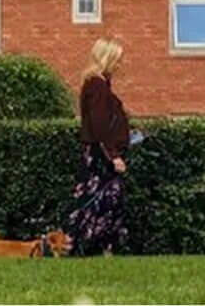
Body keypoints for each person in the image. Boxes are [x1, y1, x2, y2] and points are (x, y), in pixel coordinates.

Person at [68, 36, 130, 255]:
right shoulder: (97, 85)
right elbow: (100, 124)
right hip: (101, 155)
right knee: (103, 201)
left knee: (102, 200)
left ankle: (97, 248)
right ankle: (94, 247)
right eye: (117, 59)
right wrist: (113, 156)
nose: (120, 65)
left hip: (100, 152)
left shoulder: (99, 84)